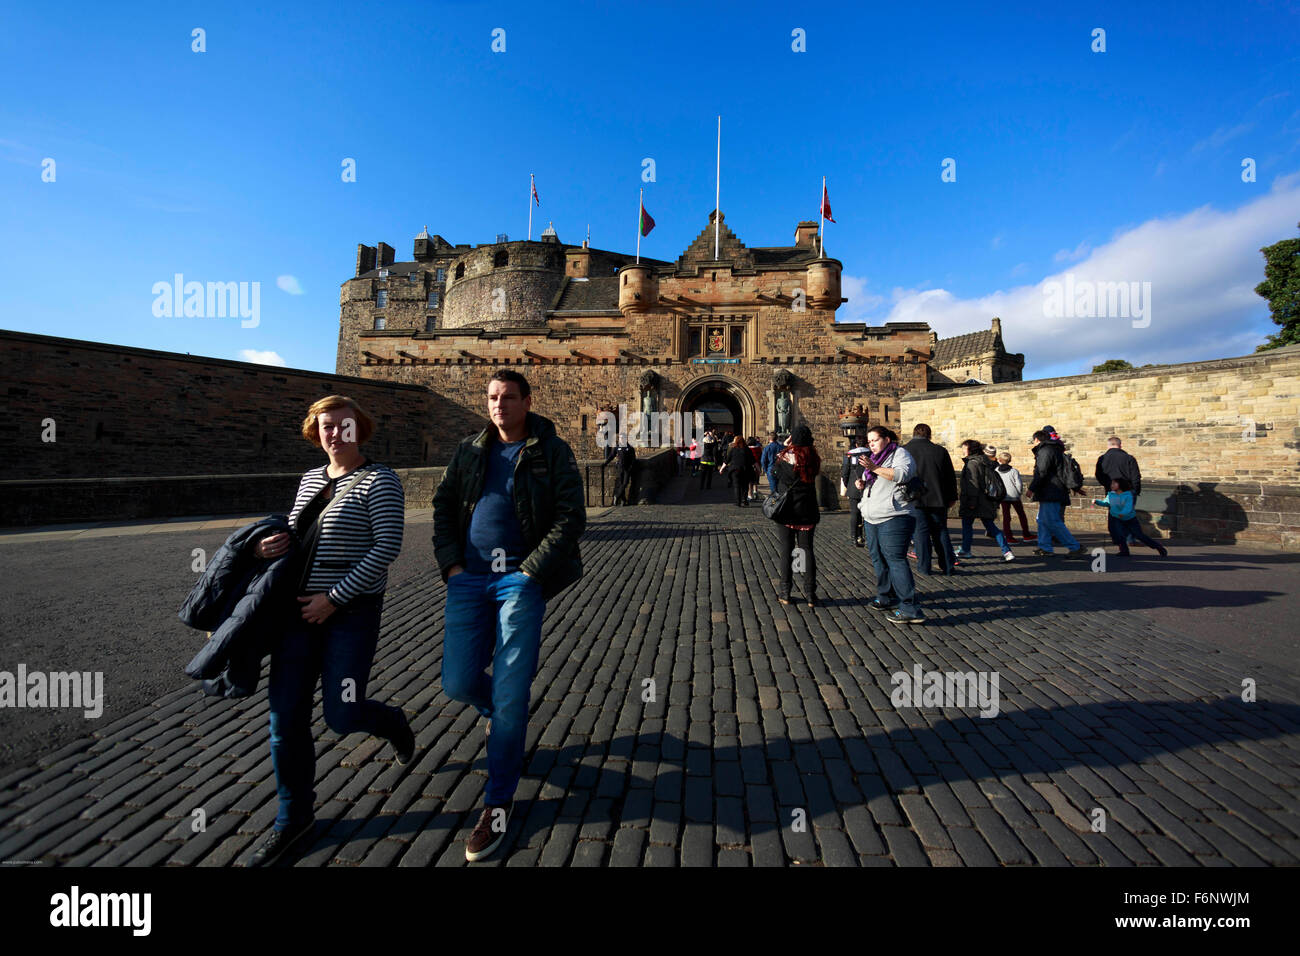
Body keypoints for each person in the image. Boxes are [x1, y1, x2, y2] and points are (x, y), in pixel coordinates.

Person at [247, 395, 411, 867]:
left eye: (344, 425)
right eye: (325, 426)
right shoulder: (310, 479)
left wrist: (334, 599)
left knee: (343, 713)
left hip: (350, 615)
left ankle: (392, 723)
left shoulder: (380, 481)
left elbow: (386, 548)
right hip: (297, 614)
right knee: (285, 719)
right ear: (314, 432)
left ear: (360, 429)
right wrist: (265, 548)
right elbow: (298, 540)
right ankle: (293, 820)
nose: (335, 433)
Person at [433, 369, 586, 861]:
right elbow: (442, 505)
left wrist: (531, 573)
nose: (498, 406)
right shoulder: (469, 449)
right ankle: (500, 721)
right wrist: (451, 564)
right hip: (468, 580)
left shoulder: (551, 450)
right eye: (492, 397)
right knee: (457, 682)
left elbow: (570, 516)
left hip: (519, 583)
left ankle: (497, 806)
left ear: (526, 401)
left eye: (508, 397)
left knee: (511, 691)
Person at [857, 425, 923, 624]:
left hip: (894, 516)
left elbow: (902, 475)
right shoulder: (875, 459)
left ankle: (910, 608)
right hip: (872, 516)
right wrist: (862, 483)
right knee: (878, 559)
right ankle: (887, 596)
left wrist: (874, 469)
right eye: (869, 442)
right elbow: (872, 479)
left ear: (886, 439)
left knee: (895, 560)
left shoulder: (900, 454)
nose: (871, 444)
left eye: (875, 440)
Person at [771, 426, 821, 605]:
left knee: (787, 550)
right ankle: (810, 595)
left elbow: (773, 473)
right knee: (806, 550)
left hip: (787, 510)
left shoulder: (784, 456)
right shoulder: (813, 457)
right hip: (807, 510)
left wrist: (784, 446)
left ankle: (785, 592)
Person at [903, 423, 959, 575]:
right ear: (929, 435)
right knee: (941, 532)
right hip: (938, 498)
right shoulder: (940, 451)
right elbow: (950, 477)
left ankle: (924, 567)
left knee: (921, 534)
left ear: (913, 434)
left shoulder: (905, 450)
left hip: (915, 499)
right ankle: (947, 566)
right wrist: (953, 497)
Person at [1025, 428, 1085, 557]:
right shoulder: (1054, 449)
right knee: (1042, 520)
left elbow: (1042, 471)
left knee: (1052, 521)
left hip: (1051, 490)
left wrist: (1032, 488)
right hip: (1052, 490)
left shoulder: (1045, 450)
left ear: (1036, 439)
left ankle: (1075, 546)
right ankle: (1045, 546)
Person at [956, 439, 1015, 561]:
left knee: (967, 526)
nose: (962, 450)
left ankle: (966, 550)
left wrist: (971, 502)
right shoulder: (984, 461)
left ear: (970, 449)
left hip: (975, 500)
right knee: (990, 526)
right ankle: (1007, 551)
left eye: (964, 448)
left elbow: (973, 484)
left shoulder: (972, 463)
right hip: (985, 500)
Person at [1093, 477, 1167, 557]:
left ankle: (1158, 547)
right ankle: (1124, 551)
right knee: (1119, 535)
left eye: (1114, 483)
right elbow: (1106, 503)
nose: (1112, 485)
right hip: (1116, 518)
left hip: (1130, 519)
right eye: (1112, 483)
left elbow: (1128, 507)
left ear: (1120, 485)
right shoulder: (1111, 494)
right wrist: (1097, 502)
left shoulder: (1128, 495)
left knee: (1139, 535)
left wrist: (1122, 513)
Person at [995, 451, 1034, 543]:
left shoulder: (996, 471)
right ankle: (1026, 534)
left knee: (1006, 517)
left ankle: (1008, 537)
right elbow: (1019, 484)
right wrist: (1018, 493)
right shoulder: (1014, 471)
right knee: (1021, 515)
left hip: (1003, 496)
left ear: (999, 460)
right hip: (1014, 495)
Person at [841, 441, 868, 548]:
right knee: (866, 514)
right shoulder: (870, 454)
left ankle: (854, 537)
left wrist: (849, 485)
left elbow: (844, 474)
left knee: (854, 513)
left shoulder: (849, 455)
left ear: (856, 444)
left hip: (853, 487)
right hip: (867, 487)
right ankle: (866, 537)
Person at [723, 435, 756, 507]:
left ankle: (738, 502)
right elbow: (753, 461)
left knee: (737, 486)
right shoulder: (747, 450)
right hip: (746, 470)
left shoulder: (733, 449)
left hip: (735, 470)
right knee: (745, 485)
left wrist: (722, 468)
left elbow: (727, 460)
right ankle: (744, 500)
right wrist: (758, 469)